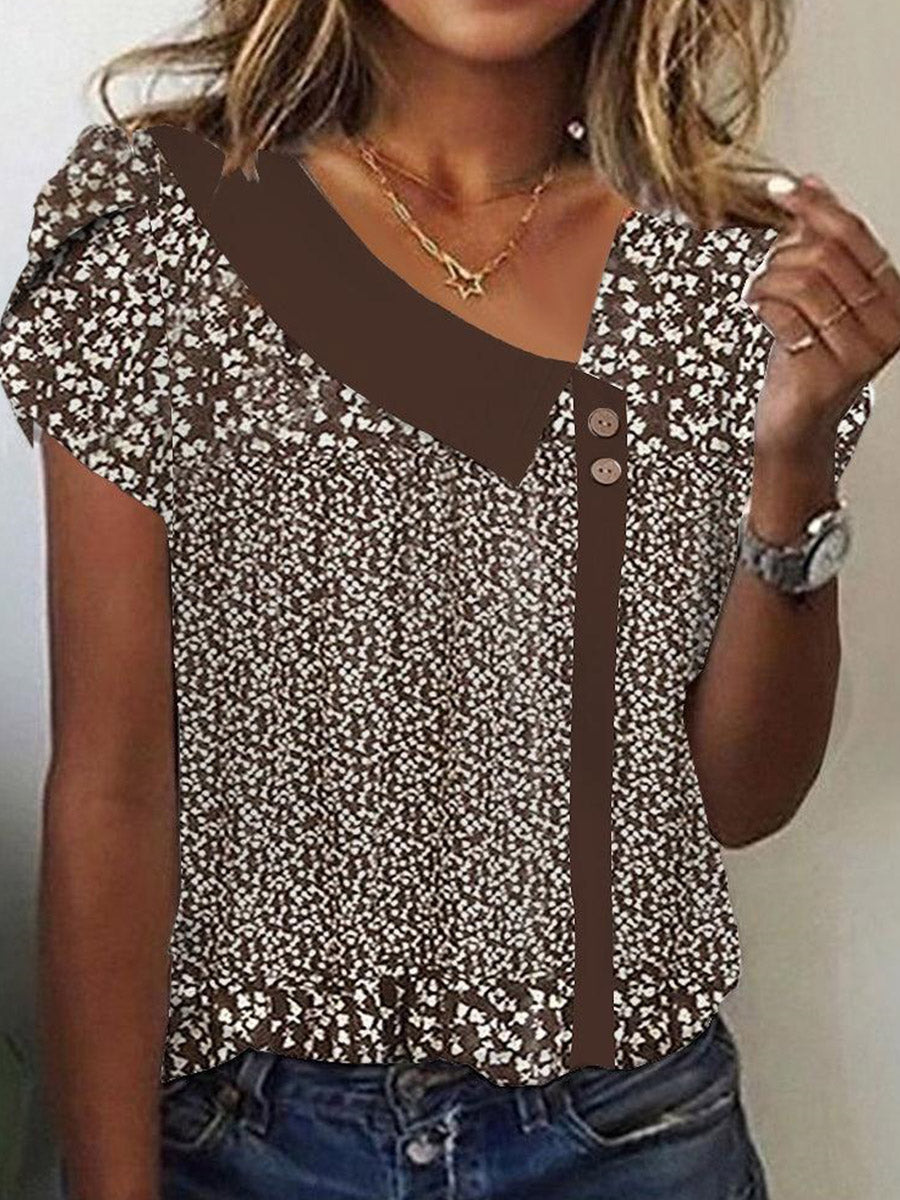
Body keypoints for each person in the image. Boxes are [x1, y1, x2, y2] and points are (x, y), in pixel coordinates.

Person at [0, 1, 897, 1198]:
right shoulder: (162, 229)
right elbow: (112, 783)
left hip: (629, 1133)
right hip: (242, 1136)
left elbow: (737, 799)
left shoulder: (731, 272)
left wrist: (794, 460)